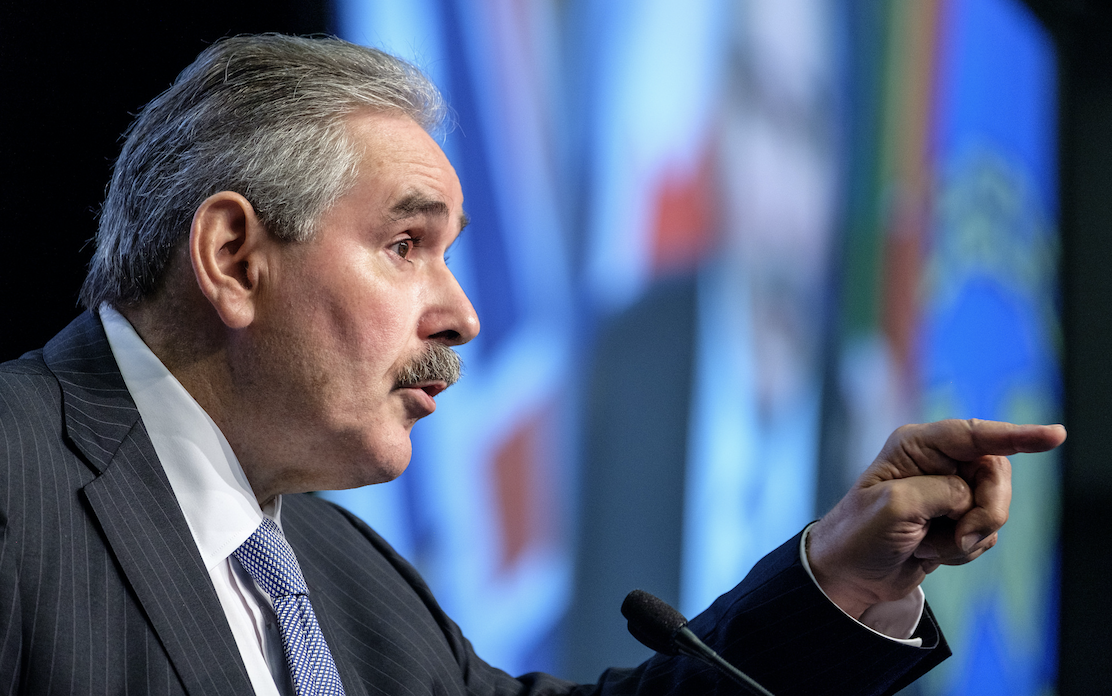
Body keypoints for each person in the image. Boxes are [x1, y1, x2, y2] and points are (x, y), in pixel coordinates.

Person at [0, 34, 1065, 696]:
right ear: (234, 258)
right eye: (406, 245)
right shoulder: (16, 479)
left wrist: (840, 577)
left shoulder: (345, 579)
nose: (460, 313)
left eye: (454, 251)